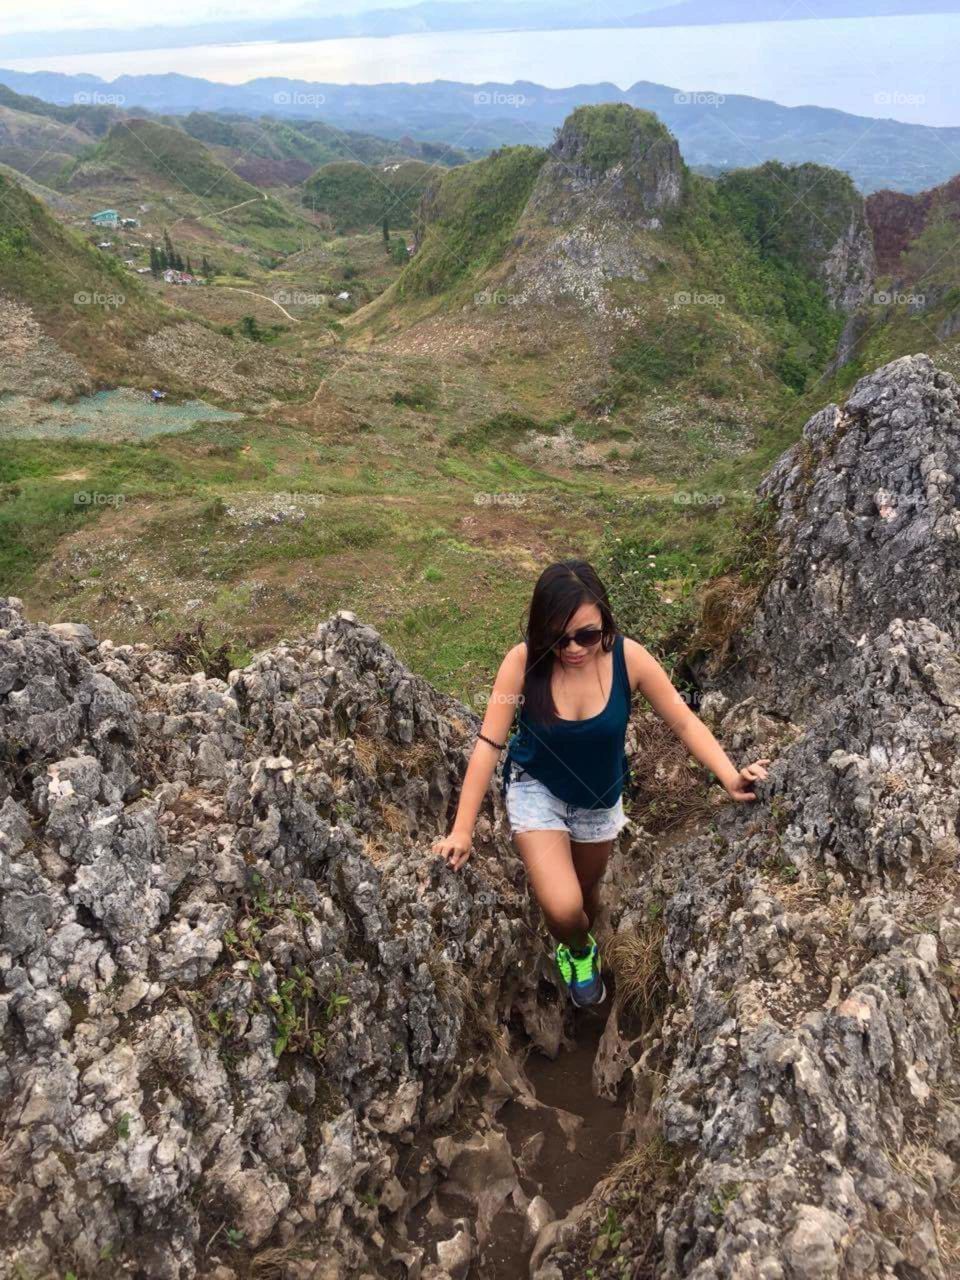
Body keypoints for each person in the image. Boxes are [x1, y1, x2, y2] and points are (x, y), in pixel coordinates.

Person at [432, 560, 770, 1008]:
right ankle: (578, 950)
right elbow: (489, 745)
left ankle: (580, 935)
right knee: (565, 908)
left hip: (599, 801)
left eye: (587, 635)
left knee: (587, 897)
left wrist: (729, 774)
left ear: (606, 622)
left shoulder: (630, 660)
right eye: (558, 636)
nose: (572, 648)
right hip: (538, 791)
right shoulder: (522, 662)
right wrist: (462, 829)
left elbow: (685, 723)